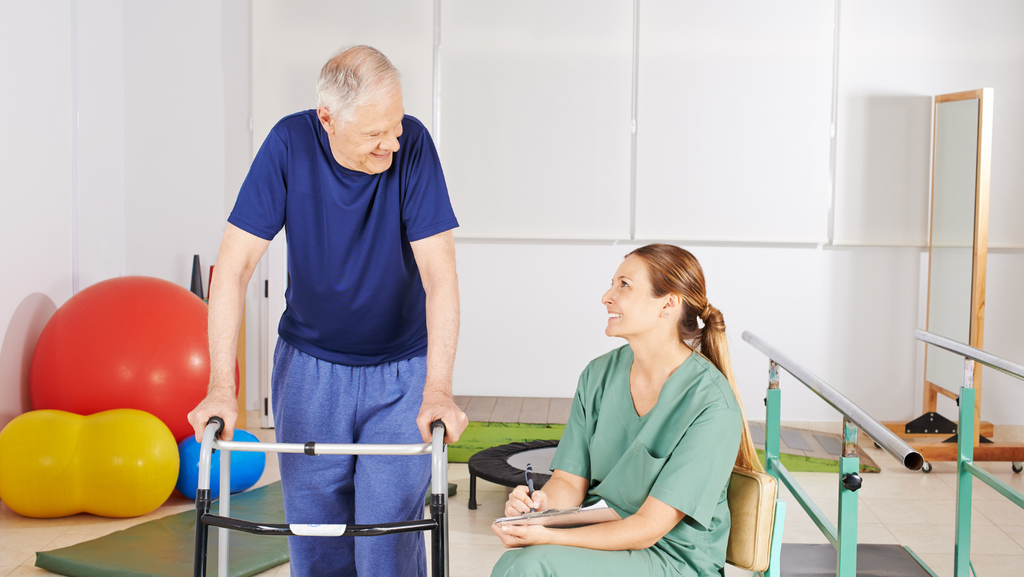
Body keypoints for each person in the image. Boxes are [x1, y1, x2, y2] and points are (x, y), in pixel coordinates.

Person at [187, 45, 468, 577]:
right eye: (373, 134)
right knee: (315, 538)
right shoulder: (289, 144)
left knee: (387, 540)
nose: (391, 143)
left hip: (401, 372)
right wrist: (224, 386)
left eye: (396, 126)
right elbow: (235, 268)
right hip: (310, 370)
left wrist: (438, 388)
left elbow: (440, 276)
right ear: (327, 118)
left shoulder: (413, 147)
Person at [490, 244, 762, 577]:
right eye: (613, 284)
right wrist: (540, 508)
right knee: (521, 563)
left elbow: (649, 527)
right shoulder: (598, 375)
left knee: (532, 565)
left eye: (624, 285)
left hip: (671, 558)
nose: (607, 296)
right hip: (604, 538)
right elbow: (568, 481)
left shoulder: (711, 404)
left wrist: (545, 536)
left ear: (669, 304)